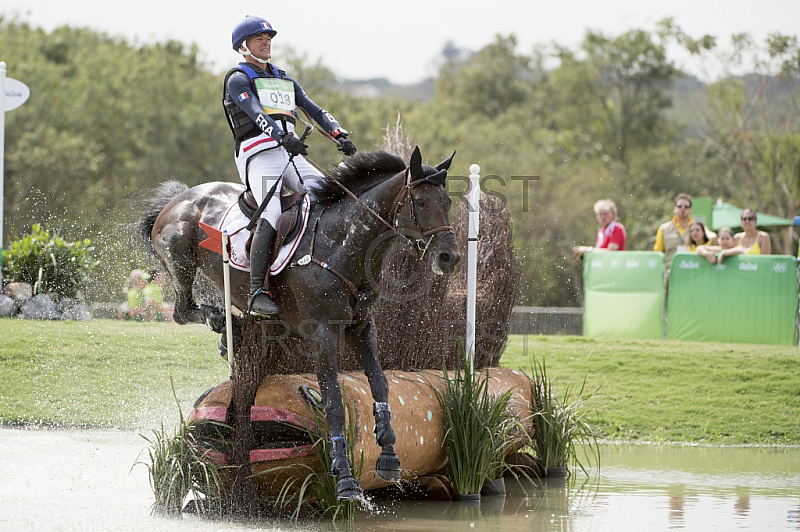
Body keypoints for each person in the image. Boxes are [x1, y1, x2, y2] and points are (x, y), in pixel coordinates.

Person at [223, 15, 357, 319]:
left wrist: (339, 135)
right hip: (260, 154)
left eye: (269, 38)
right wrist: (281, 135)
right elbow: (255, 112)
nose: (266, 42)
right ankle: (257, 291)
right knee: (270, 211)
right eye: (259, 38)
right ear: (243, 46)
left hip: (291, 152)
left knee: (328, 196)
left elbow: (313, 109)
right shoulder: (238, 79)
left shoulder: (283, 79)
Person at [654, 193, 695, 268]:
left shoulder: (698, 228)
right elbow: (658, 254)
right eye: (679, 206)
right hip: (670, 272)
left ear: (690, 209)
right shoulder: (664, 228)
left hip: (692, 271)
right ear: (675, 208)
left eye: (686, 206)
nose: (683, 208)